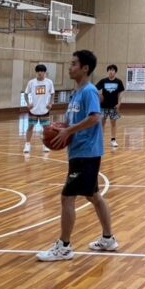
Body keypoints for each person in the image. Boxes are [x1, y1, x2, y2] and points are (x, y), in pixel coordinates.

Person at [37, 50, 116, 261]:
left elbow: (95, 117)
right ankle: (108, 239)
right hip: (80, 152)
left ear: (85, 68)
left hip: (86, 152)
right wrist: (60, 128)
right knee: (93, 196)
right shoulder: (76, 93)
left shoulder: (89, 91)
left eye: (74, 64)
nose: (70, 67)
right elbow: (72, 121)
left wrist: (68, 131)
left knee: (67, 197)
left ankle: (64, 246)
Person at [23, 64, 55, 154]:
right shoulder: (31, 82)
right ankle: (27, 144)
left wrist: (50, 103)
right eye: (38, 71)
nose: (39, 73)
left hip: (44, 110)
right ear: (36, 72)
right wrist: (28, 103)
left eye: (41, 71)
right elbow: (25, 94)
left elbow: (52, 93)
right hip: (33, 110)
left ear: (45, 72)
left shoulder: (49, 82)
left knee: (46, 128)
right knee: (30, 127)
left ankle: (45, 145)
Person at [95, 64, 124, 149]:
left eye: (113, 70)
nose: (111, 72)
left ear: (115, 72)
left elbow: (121, 92)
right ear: (108, 71)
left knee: (113, 123)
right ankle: (100, 140)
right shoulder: (103, 81)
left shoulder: (118, 82)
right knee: (102, 123)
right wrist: (99, 96)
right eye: (109, 70)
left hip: (113, 106)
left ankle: (113, 140)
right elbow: (95, 89)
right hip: (103, 106)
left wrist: (119, 103)